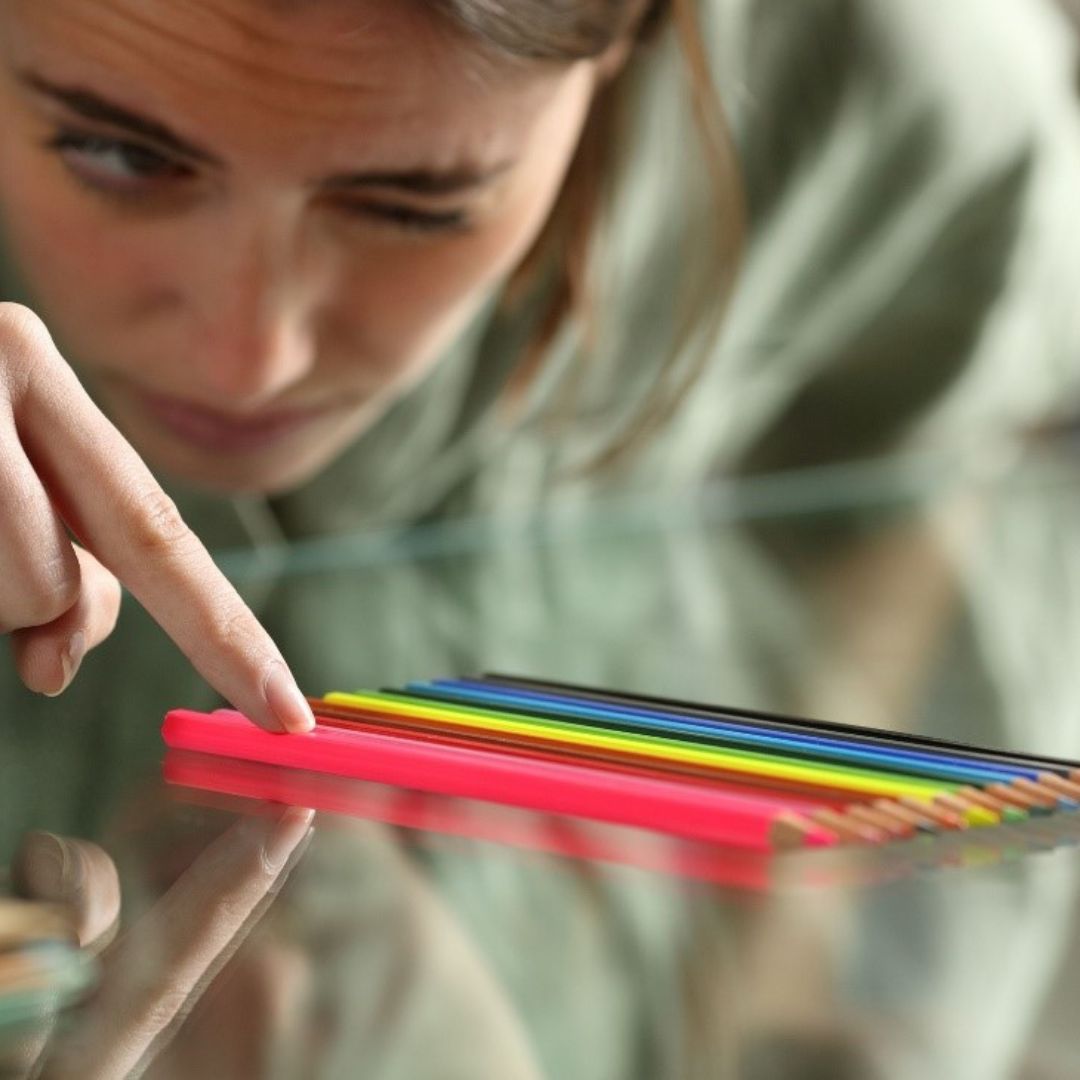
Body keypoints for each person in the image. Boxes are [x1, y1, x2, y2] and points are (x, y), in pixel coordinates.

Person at [0, 0, 1077, 724]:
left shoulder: (906, 88)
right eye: (120, 156)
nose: (249, 361)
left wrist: (790, 993)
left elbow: (913, 518)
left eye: (413, 207)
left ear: (637, 35)